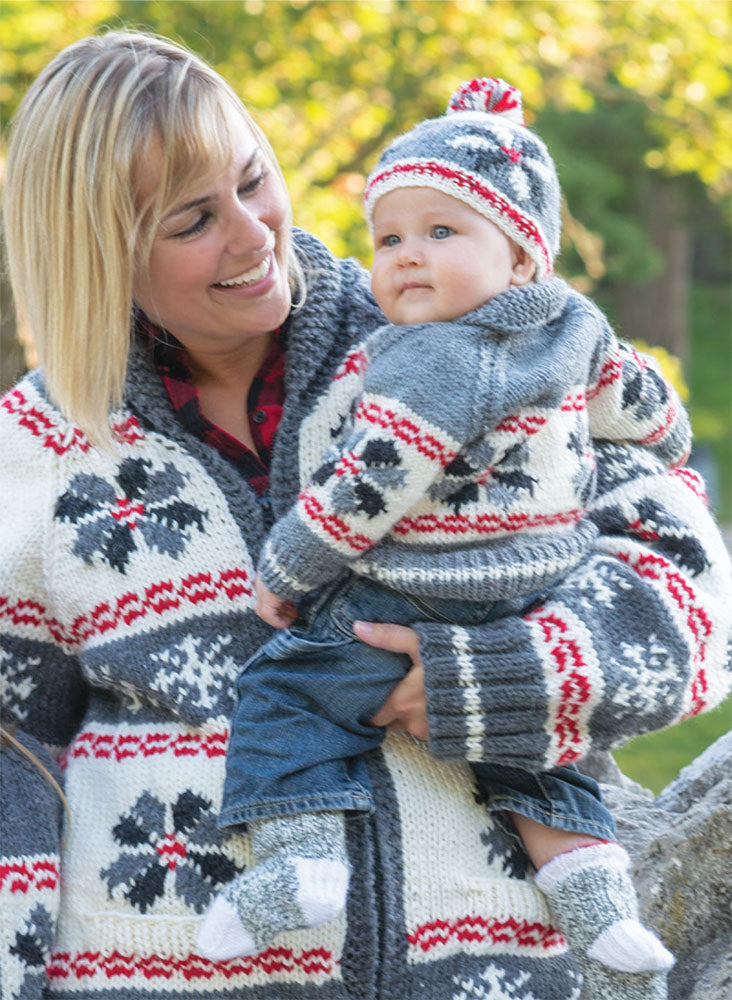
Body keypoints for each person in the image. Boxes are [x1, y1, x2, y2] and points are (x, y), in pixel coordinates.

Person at [0, 30, 730, 1000]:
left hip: (491, 975)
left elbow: (690, 585)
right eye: (192, 221)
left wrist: (514, 675)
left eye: (253, 180)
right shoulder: (37, 447)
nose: (254, 233)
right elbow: (15, 747)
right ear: (101, 252)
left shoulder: (468, 330)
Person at [197, 77, 683, 988]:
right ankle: (596, 899)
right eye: (389, 238)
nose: (407, 259)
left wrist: (292, 567)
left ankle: (300, 862)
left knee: (288, 695)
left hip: (419, 583)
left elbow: (374, 481)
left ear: (523, 253)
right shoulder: (577, 325)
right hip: (538, 585)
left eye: (441, 233)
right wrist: (670, 440)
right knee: (541, 747)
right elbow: (642, 405)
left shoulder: (425, 358)